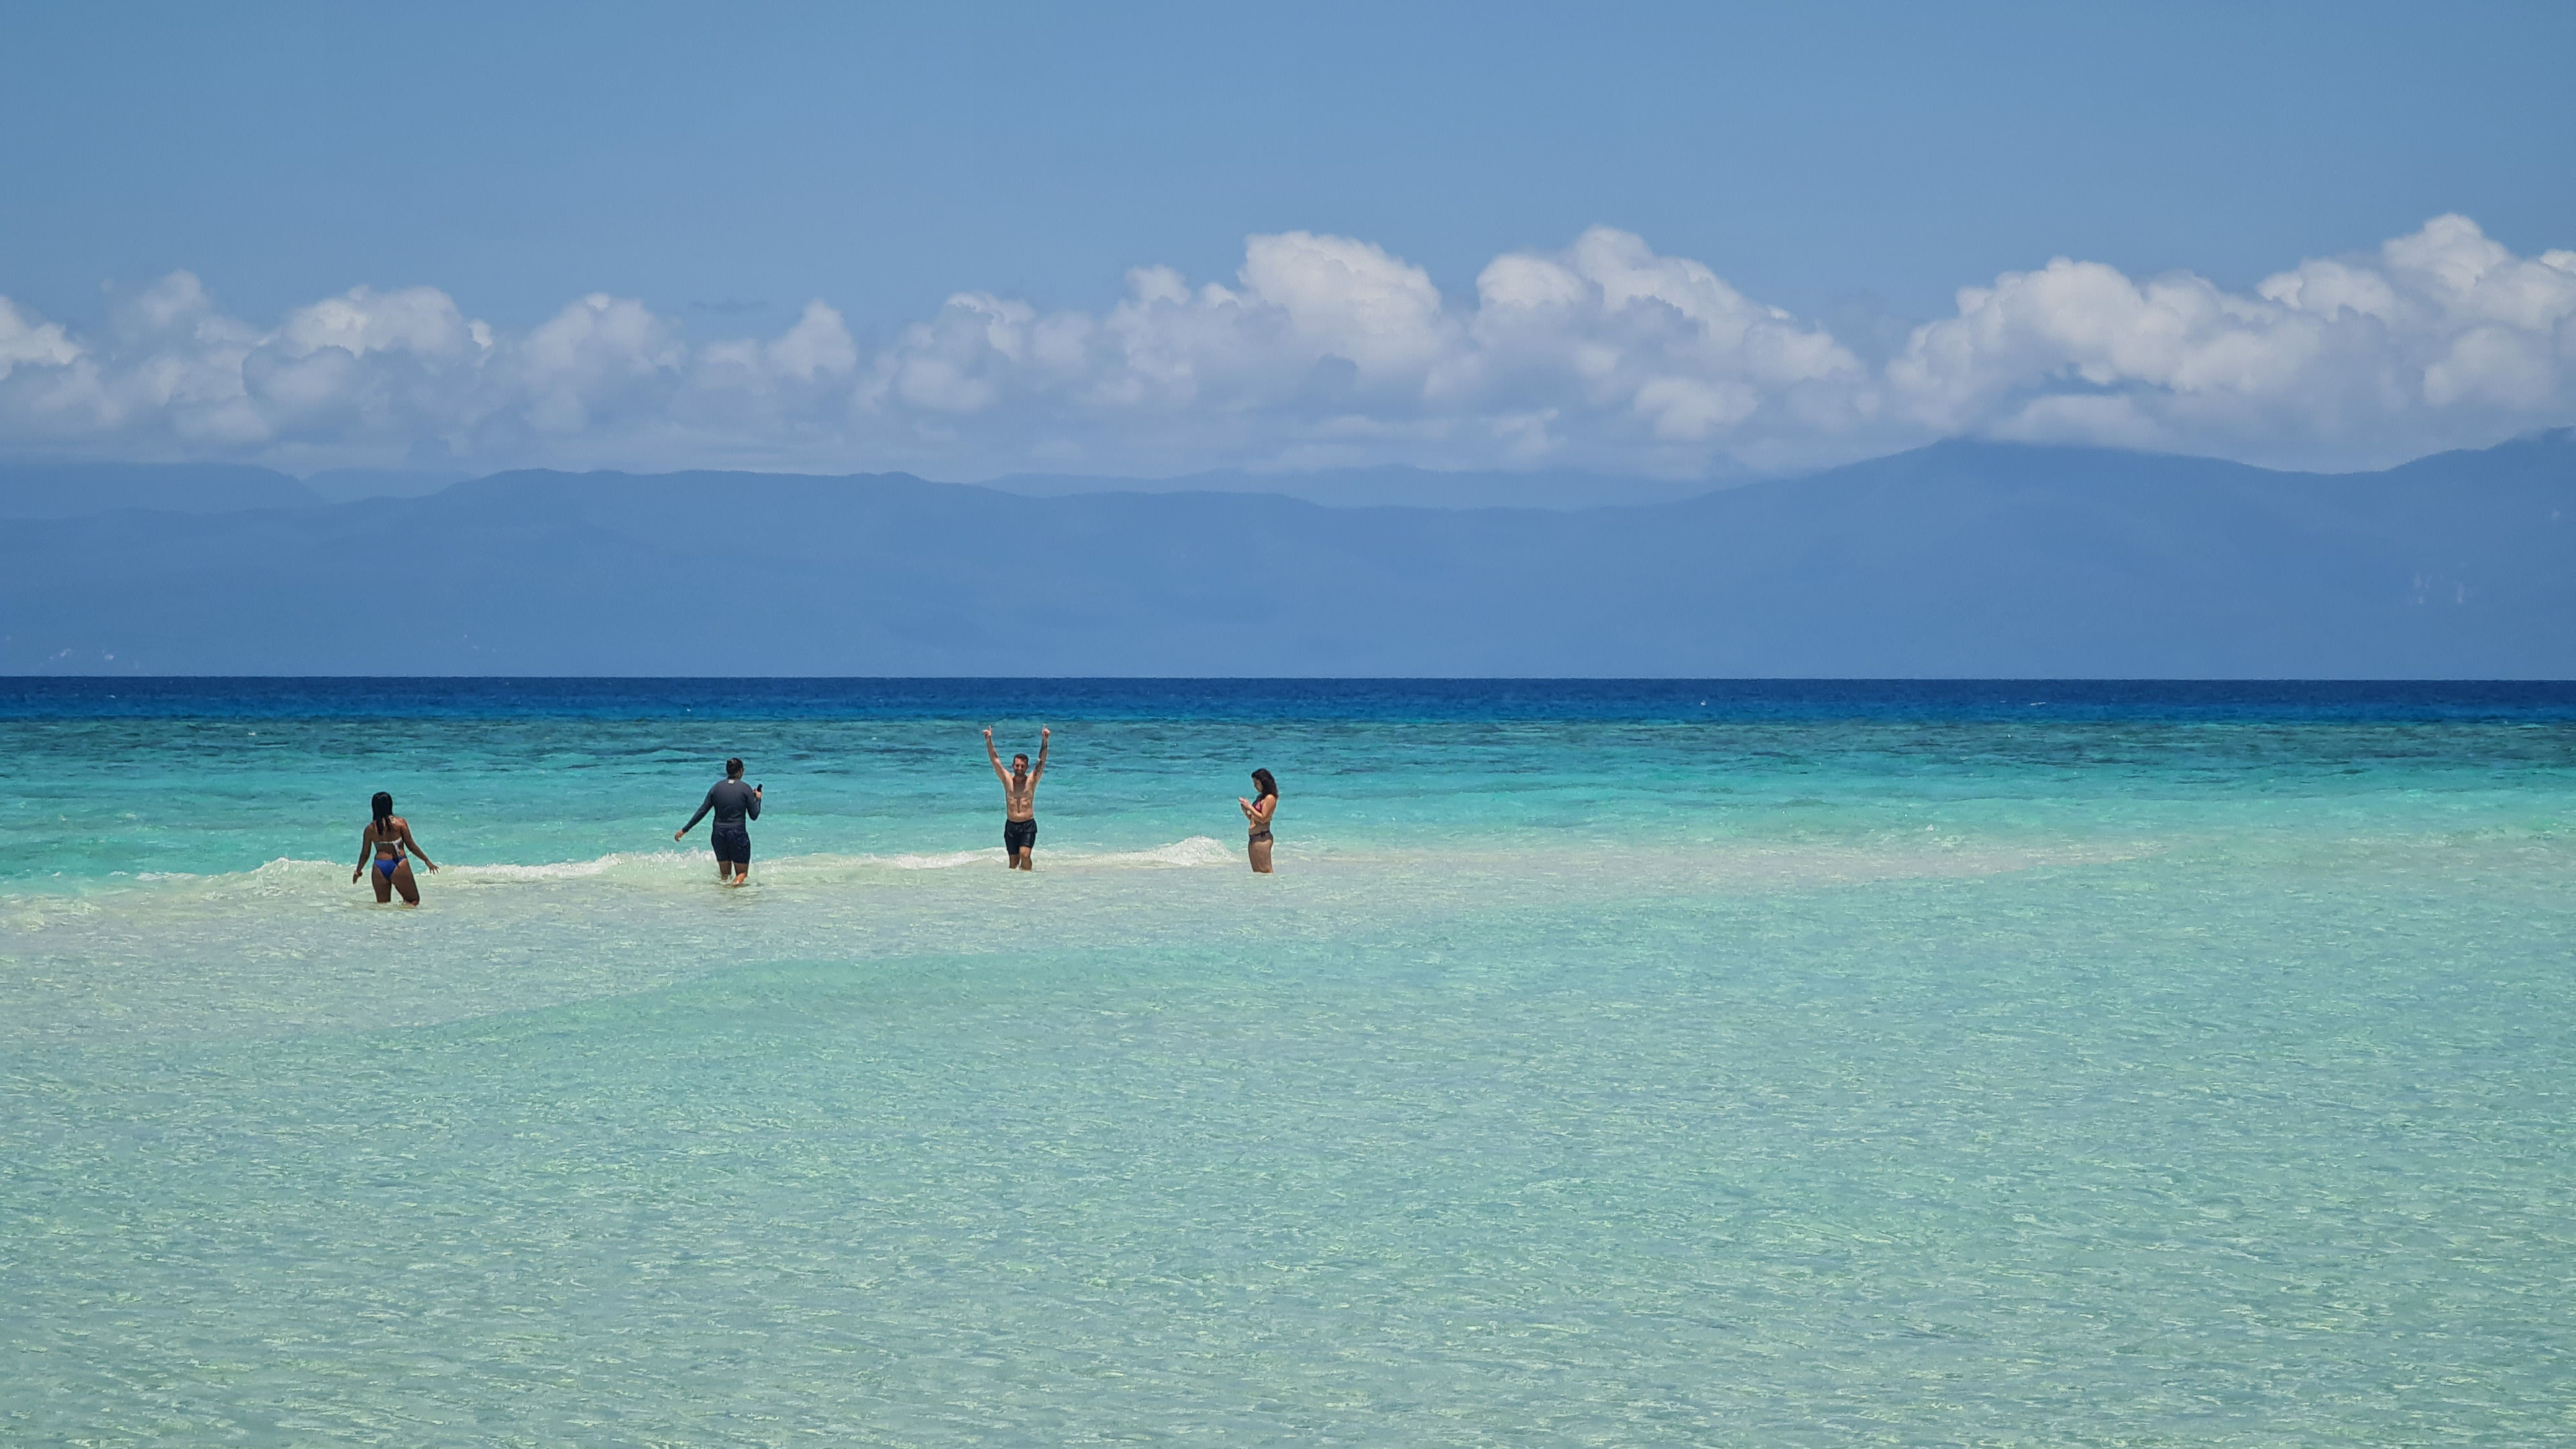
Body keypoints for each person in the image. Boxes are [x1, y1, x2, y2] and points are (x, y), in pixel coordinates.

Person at [676, 757, 762, 885]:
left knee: (725, 876)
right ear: (741, 771)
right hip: (737, 834)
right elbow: (754, 815)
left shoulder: (716, 788)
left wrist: (684, 830)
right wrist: (758, 799)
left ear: (727, 771)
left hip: (718, 835)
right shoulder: (745, 789)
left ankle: (724, 902)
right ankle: (734, 895)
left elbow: (702, 811)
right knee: (742, 874)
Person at [353, 791, 437, 905]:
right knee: (413, 901)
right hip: (399, 864)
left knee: (383, 907)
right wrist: (426, 860)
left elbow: (365, 853)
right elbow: (411, 846)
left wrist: (358, 871)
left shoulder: (370, 829)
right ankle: (404, 921)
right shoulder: (400, 823)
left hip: (379, 866)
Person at [985, 724, 1050, 869]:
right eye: (1017, 766)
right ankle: (1019, 887)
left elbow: (1041, 761)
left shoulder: (1032, 780)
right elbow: (995, 760)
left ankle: (1028, 877)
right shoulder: (1007, 780)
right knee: (1013, 864)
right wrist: (989, 740)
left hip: (1028, 824)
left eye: (1022, 766)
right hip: (1011, 826)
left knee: (1025, 855)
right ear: (1013, 766)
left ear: (1026, 767)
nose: (1019, 768)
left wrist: (1045, 740)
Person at [1238, 768, 1278, 873]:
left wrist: (1250, 806)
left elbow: (1264, 818)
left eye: (1256, 783)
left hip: (1262, 838)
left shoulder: (1270, 798)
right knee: (1258, 873)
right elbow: (1255, 819)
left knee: (1266, 871)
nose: (1255, 786)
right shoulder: (1261, 797)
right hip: (1254, 838)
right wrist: (1246, 812)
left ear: (1263, 782)